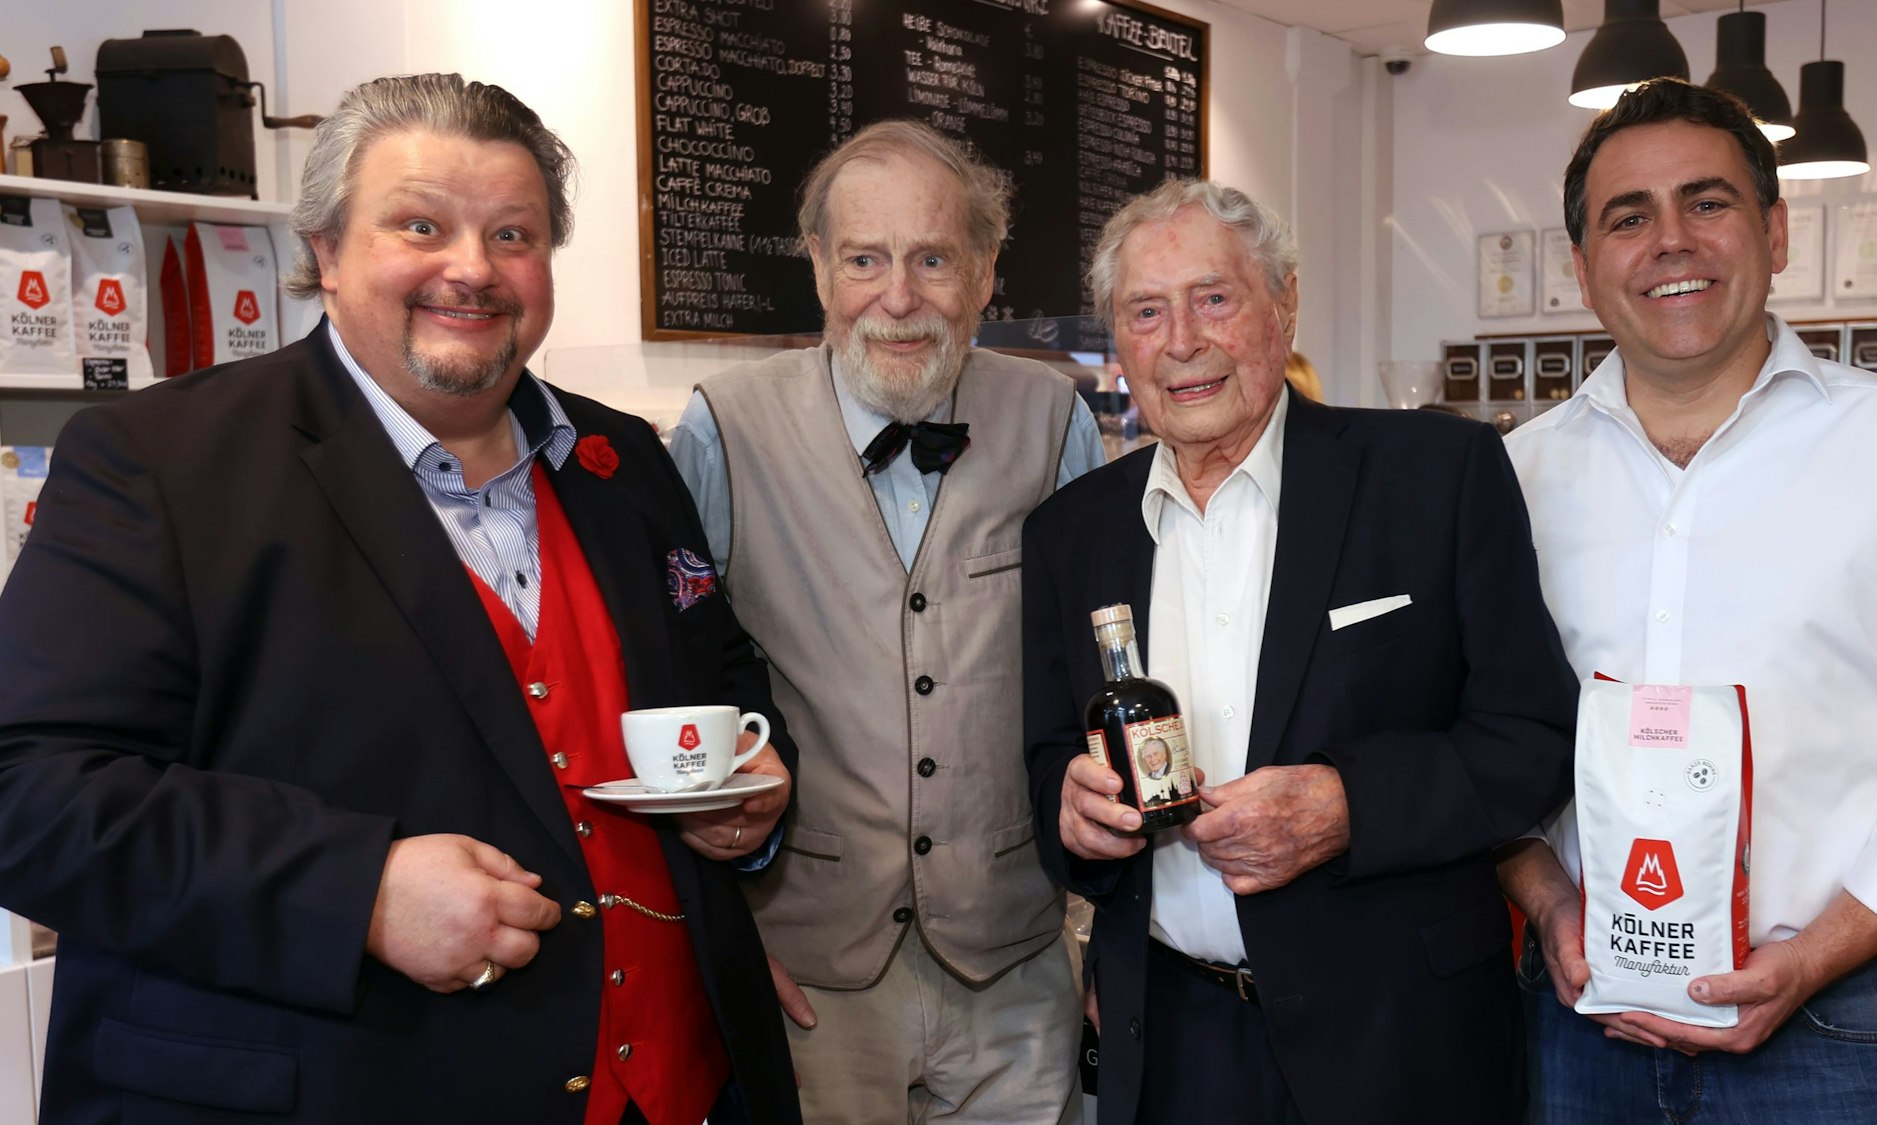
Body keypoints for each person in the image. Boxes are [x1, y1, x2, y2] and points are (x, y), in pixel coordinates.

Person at [0, 74, 801, 1125]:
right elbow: (30, 795)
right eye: (420, 225)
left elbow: (721, 678)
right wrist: (358, 891)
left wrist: (750, 795)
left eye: (513, 235)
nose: (472, 267)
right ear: (326, 251)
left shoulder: (625, 461)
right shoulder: (160, 462)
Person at [1021, 178, 1578, 1124]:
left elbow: (1533, 740)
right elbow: (1045, 761)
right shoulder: (1070, 534)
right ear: (1120, 340)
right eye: (1146, 311)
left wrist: (1348, 806)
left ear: (1284, 304)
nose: (1182, 340)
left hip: (1400, 1042)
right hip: (1173, 1043)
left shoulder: (1435, 475)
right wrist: (1072, 814)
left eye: (1214, 298)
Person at [1502, 77, 1877, 1123]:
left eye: (1707, 202)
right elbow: (1477, 729)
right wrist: (1546, 904)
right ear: (1583, 268)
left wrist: (1818, 955)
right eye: (1627, 218)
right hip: (1576, 1019)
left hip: (1834, 1027)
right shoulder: (1514, 479)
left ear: (1773, 233)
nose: (1670, 241)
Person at [666, 119, 1102, 1123]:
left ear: (985, 271)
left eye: (932, 259)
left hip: (1016, 965)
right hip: (807, 971)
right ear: (819, 266)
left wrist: (1108, 936)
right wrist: (720, 938)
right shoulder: (722, 427)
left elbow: (1098, 674)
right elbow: (679, 684)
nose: (897, 297)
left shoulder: (1056, 420)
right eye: (864, 259)